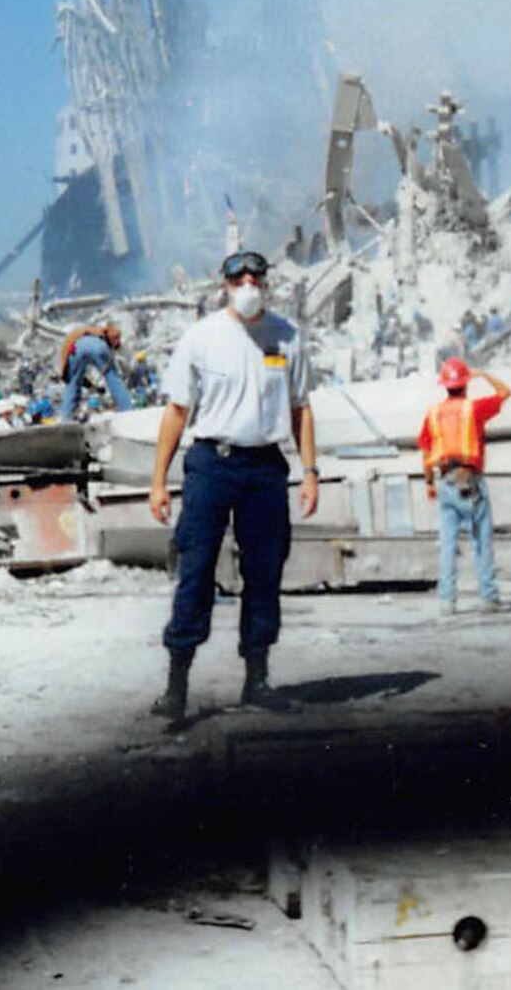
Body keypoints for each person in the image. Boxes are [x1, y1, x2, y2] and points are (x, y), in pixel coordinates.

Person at [146, 249, 318, 721]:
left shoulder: (287, 336)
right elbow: (177, 411)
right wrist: (158, 482)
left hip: (265, 467)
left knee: (265, 572)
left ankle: (257, 680)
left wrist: (310, 472)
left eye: (254, 276)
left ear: (266, 282)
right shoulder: (202, 338)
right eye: (237, 276)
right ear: (223, 284)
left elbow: (301, 408)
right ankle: (177, 686)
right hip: (211, 464)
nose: (247, 283)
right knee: (196, 569)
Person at [418, 359, 511, 618]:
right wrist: (483, 374)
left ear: (445, 385)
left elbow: (426, 451)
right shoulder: (474, 409)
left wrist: (428, 483)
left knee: (448, 544)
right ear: (465, 384)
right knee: (481, 540)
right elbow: (506, 392)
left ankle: (447, 602)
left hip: (446, 482)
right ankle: (489, 597)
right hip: (470, 482)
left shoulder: (433, 414)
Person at [58, 321, 134, 421]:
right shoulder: (100, 333)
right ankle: (127, 410)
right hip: (98, 345)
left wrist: (65, 375)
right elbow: (113, 334)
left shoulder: (74, 339)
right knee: (113, 377)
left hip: (76, 348)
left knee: (72, 383)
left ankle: (66, 417)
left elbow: (77, 380)